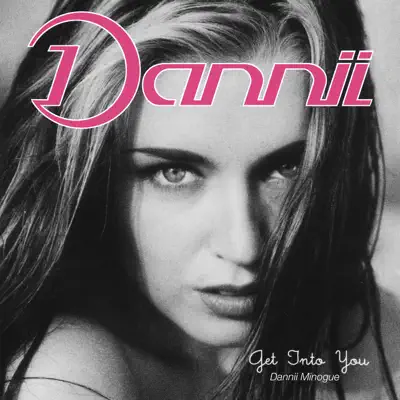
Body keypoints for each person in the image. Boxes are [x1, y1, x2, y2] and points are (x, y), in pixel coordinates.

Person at [0, 0, 398, 399]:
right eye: (174, 173)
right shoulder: (66, 375)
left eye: (288, 167)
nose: (244, 247)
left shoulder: (362, 331)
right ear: (92, 182)